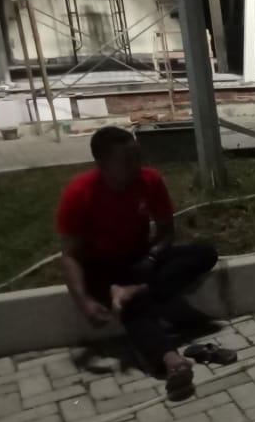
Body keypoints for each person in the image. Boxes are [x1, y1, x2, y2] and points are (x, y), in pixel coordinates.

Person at [56, 126, 218, 395]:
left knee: (204, 253)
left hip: (141, 259)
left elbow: (166, 231)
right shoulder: (79, 193)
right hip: (100, 268)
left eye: (137, 156)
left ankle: (135, 291)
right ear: (103, 164)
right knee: (132, 307)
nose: (136, 165)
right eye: (126, 159)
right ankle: (171, 360)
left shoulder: (149, 180)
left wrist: (152, 257)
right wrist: (84, 302)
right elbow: (69, 256)